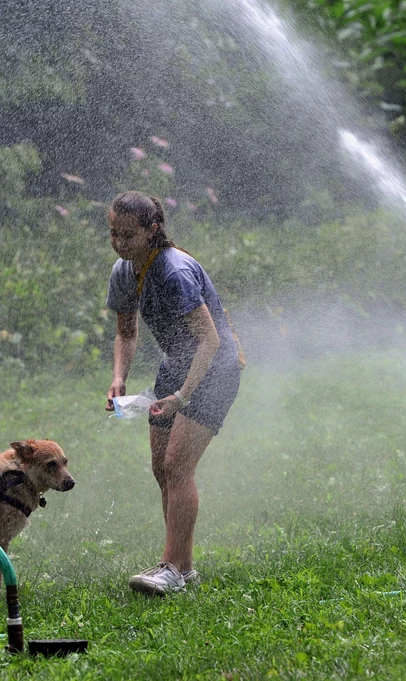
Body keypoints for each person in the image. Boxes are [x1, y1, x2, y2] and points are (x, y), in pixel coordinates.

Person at [105, 190, 243, 596]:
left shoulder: (174, 271)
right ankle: (182, 565)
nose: (119, 242)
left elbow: (210, 341)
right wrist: (119, 378)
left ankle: (173, 569)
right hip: (174, 367)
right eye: (113, 233)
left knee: (178, 465)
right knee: (161, 468)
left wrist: (182, 396)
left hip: (215, 370)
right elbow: (125, 334)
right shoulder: (124, 271)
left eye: (128, 235)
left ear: (153, 230)